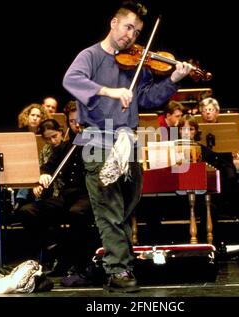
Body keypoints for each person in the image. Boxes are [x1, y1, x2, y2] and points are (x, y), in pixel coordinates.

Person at [62, 0, 193, 292]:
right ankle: (119, 271)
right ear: (113, 23)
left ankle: (118, 260)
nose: (131, 36)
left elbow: (147, 98)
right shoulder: (90, 55)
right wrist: (110, 90)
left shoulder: (138, 60)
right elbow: (71, 80)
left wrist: (173, 78)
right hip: (97, 139)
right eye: (128, 27)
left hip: (128, 140)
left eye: (137, 31)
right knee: (109, 208)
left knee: (125, 207)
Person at [16, 102, 99, 286]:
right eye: (71, 121)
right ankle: (57, 249)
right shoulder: (67, 146)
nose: (76, 124)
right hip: (66, 197)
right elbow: (48, 165)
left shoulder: (97, 142)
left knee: (76, 213)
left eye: (79, 120)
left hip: (88, 195)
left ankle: (79, 264)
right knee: (27, 211)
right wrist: (43, 176)